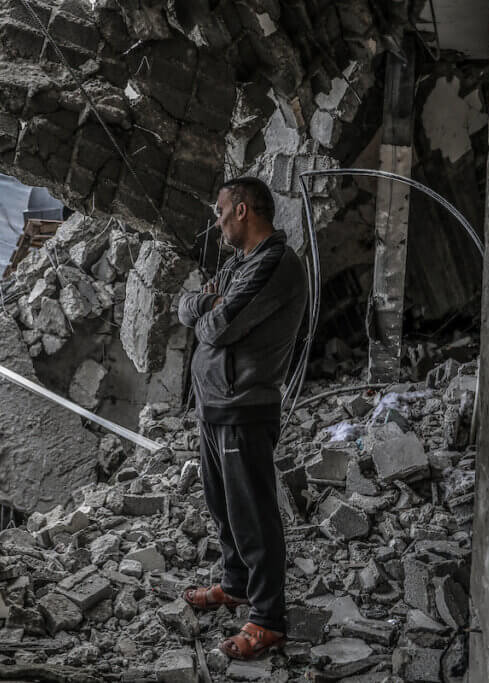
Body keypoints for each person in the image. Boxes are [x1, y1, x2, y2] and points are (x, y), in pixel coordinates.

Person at [177, 176, 308, 660]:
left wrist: (204, 309)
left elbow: (218, 324)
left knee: (252, 512)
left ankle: (268, 619)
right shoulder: (241, 265)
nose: (215, 224)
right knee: (223, 506)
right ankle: (236, 585)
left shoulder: (275, 264)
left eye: (219, 211)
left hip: (244, 408)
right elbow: (188, 304)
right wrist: (202, 303)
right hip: (216, 406)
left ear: (242, 211)